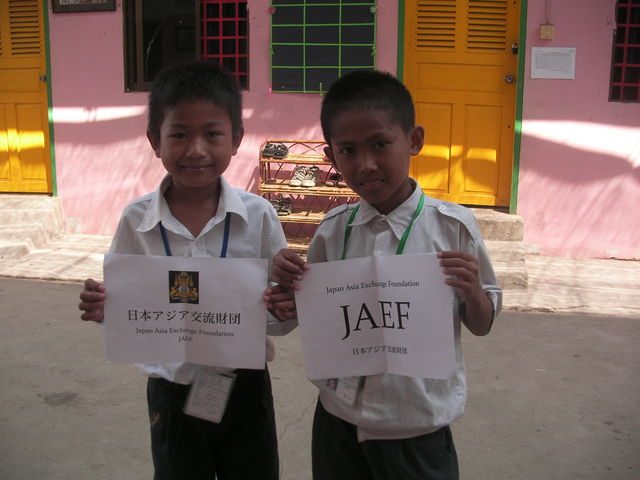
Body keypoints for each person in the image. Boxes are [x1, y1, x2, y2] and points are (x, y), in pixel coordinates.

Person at [265, 70, 502, 479]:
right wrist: (287, 297)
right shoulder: (332, 230)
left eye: (380, 144)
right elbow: (309, 312)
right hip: (339, 418)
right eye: (348, 150)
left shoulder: (452, 228)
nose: (366, 164)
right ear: (332, 156)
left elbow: (482, 324)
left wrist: (473, 292)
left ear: (414, 140)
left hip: (416, 423)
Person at [78, 60, 294, 480]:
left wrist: (286, 304)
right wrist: (106, 309)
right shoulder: (136, 220)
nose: (196, 149)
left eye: (212, 134)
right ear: (154, 141)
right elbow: (125, 303)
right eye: (179, 134)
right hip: (170, 390)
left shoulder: (259, 216)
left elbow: (279, 304)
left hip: (244, 386)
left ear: (237, 139)